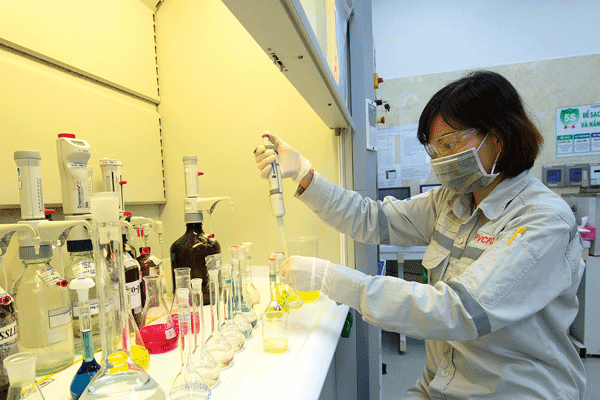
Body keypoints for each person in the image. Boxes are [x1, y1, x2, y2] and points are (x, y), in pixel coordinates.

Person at [254, 70, 586, 399]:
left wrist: (330, 279)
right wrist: (304, 174)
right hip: (441, 386)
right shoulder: (451, 202)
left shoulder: (542, 220)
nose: (441, 161)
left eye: (450, 143)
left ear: (498, 136)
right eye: (435, 150)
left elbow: (458, 311)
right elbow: (372, 219)